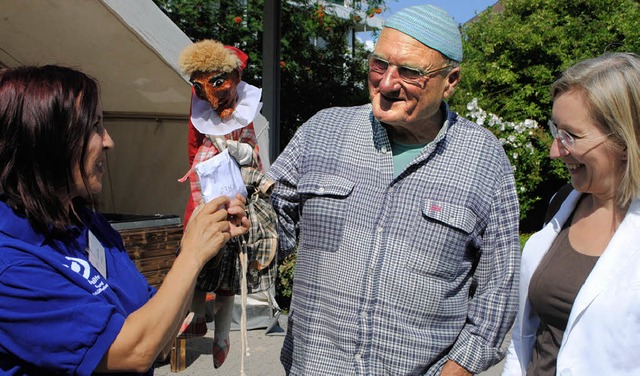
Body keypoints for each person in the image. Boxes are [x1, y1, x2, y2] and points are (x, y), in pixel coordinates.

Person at [267, 4, 521, 375]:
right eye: (379, 65)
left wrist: (458, 369)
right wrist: (240, 215)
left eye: (410, 72)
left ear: (451, 80)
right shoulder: (322, 132)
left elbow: (498, 293)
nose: (386, 83)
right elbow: (270, 230)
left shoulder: (483, 158)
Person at [0, 65, 249, 375]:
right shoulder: (10, 263)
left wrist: (206, 244)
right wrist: (192, 254)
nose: (108, 142)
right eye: (93, 127)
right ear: (46, 140)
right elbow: (133, 352)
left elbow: (158, 333)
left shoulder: (84, 222)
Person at [502, 52, 640, 375]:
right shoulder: (562, 203)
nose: (554, 151)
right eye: (555, 130)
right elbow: (527, 335)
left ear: (625, 139)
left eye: (570, 136)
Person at [176, 39, 278, 369]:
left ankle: (222, 335)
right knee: (191, 260)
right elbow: (193, 152)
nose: (212, 92)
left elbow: (254, 159)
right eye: (201, 85)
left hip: (233, 203)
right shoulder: (201, 118)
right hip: (203, 200)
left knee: (226, 274)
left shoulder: (243, 120)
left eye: (218, 81)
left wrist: (238, 157)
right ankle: (194, 316)